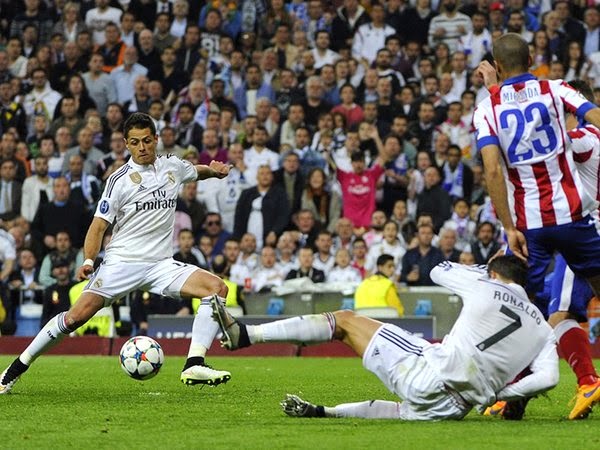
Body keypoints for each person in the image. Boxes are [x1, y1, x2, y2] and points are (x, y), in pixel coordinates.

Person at [0, 113, 233, 394]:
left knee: (216, 288)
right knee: (75, 318)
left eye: (147, 140)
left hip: (161, 265)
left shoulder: (172, 166)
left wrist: (214, 170)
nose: (142, 147)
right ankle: (15, 370)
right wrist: (88, 260)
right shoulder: (118, 181)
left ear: (156, 139)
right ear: (126, 144)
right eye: (135, 143)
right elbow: (98, 226)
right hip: (121, 264)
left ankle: (194, 363)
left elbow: (195, 171)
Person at [211, 256, 558, 421]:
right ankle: (324, 413)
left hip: (432, 372)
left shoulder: (485, 283)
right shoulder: (542, 327)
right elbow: (549, 378)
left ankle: (245, 334)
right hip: (454, 409)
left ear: (494, 274)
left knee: (344, 322)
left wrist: (480, 270)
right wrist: (501, 393)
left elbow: (438, 270)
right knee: (399, 411)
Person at [473, 34, 600, 418]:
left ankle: (534, 390)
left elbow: (494, 167)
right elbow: (589, 120)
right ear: (532, 58)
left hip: (533, 227)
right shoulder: (555, 90)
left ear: (496, 64)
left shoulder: (487, 108)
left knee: (534, 314)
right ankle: (518, 394)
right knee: (550, 314)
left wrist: (508, 226)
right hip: (576, 219)